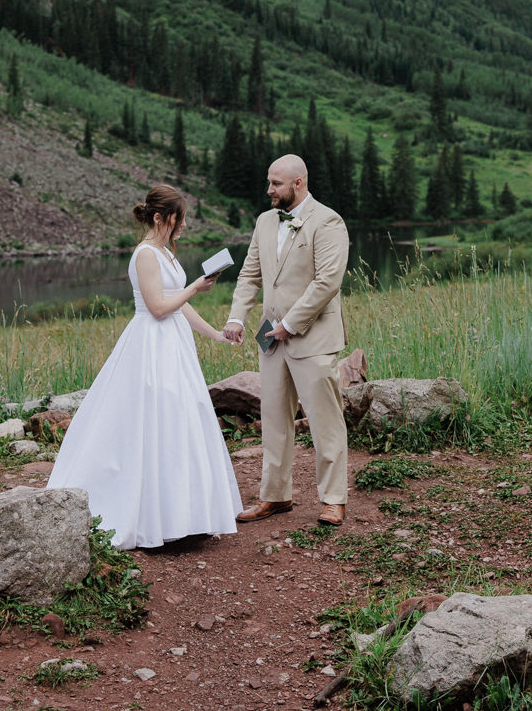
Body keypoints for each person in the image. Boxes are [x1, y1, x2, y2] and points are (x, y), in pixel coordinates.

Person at [48, 183, 241, 549]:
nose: (182, 226)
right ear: (159, 218)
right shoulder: (145, 255)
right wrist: (196, 287)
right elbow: (158, 307)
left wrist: (214, 334)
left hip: (175, 345)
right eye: (178, 219)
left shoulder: (166, 253)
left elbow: (179, 305)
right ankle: (150, 516)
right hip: (150, 344)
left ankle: (186, 515)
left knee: (182, 418)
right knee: (153, 419)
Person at [220, 154, 351, 526]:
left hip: (312, 337)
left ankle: (333, 498)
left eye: (276, 183)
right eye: (268, 182)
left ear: (298, 183)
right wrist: (237, 317)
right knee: (274, 418)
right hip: (271, 339)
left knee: (324, 420)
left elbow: (328, 281)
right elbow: (250, 274)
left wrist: (290, 324)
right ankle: (275, 496)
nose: (269, 190)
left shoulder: (328, 221)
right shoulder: (264, 221)